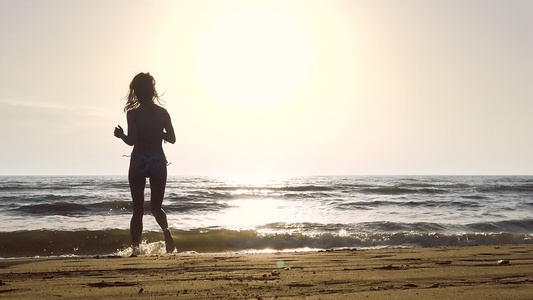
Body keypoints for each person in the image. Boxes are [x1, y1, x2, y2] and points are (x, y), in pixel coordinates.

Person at [114, 72, 176, 256]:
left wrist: (121, 135)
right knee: (156, 207)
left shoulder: (133, 113)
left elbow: (131, 140)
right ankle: (167, 234)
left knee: (138, 209)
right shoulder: (163, 113)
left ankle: (135, 248)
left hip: (139, 160)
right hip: (157, 160)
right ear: (153, 90)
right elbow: (172, 138)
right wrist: (158, 133)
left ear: (136, 92)